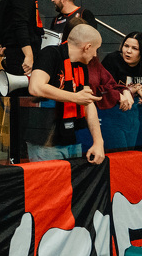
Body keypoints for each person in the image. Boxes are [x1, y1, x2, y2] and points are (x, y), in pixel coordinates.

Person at [18, 24, 106, 164]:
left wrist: (98, 142)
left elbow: (87, 102)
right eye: (96, 49)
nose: (95, 55)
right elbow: (35, 87)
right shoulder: (50, 53)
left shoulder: (82, 65)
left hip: (71, 139)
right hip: (45, 142)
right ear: (87, 47)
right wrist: (75, 97)